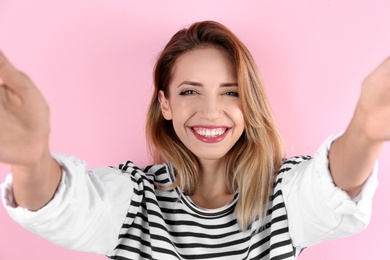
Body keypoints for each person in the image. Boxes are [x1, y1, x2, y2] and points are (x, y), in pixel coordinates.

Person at [0, 20, 387, 259]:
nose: (211, 111)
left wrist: (366, 129)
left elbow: (332, 187)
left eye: (231, 92)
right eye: (189, 92)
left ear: (249, 102)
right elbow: (67, 207)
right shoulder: (135, 198)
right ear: (165, 104)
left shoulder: (282, 194)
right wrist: (33, 161)